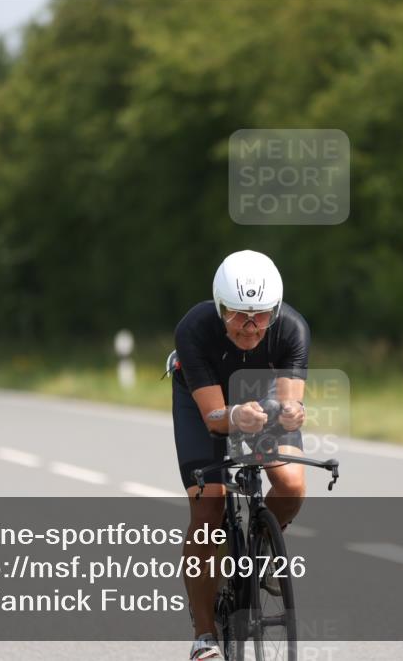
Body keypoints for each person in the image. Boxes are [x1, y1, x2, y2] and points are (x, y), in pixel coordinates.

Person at [171, 250, 309, 660]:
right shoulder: (195, 329)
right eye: (237, 315)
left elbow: (287, 407)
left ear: (276, 311)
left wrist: (289, 413)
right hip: (207, 403)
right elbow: (214, 418)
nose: (250, 327)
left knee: (290, 482)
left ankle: (262, 550)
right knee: (208, 505)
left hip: (258, 399)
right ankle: (204, 635)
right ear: (219, 309)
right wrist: (234, 416)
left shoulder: (293, 329)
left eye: (261, 316)